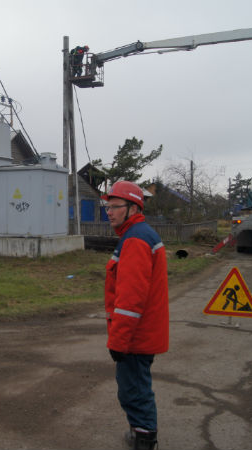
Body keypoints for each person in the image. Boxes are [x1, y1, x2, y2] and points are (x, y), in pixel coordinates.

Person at [101, 180, 169, 450]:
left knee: (134, 391)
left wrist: (118, 342)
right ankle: (140, 432)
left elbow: (130, 301)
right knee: (135, 387)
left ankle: (144, 440)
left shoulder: (136, 240)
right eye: (107, 206)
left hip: (135, 337)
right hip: (139, 334)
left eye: (115, 206)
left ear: (132, 208)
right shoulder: (138, 235)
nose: (109, 211)